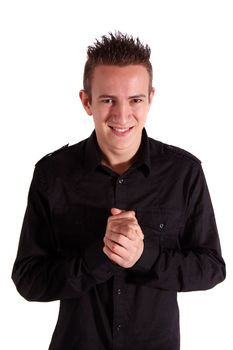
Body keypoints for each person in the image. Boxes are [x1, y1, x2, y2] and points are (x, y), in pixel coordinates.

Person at [12, 31, 226, 350]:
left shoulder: (184, 173)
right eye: (108, 99)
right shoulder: (52, 174)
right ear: (87, 102)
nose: (122, 115)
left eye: (135, 99)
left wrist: (144, 256)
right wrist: (99, 257)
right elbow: (29, 280)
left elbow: (211, 269)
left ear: (150, 98)